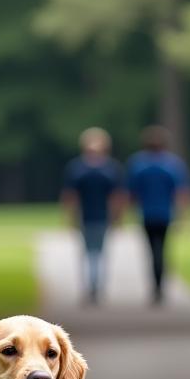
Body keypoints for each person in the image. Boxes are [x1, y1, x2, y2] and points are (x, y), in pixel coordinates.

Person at [127, 125, 190, 304]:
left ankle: (155, 285)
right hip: (165, 214)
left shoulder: (139, 164)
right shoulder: (172, 164)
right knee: (162, 249)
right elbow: (181, 192)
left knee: (151, 250)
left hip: (147, 215)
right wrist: (185, 216)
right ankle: (160, 286)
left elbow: (131, 192)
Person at [62, 127, 125, 304]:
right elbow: (116, 197)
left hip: (90, 216)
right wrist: (118, 217)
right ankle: (96, 286)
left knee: (90, 253)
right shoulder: (110, 168)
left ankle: (93, 286)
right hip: (97, 216)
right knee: (98, 253)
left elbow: (70, 196)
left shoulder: (77, 168)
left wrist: (69, 217)